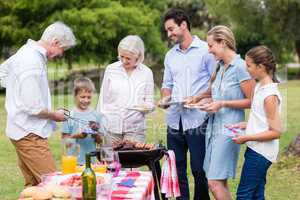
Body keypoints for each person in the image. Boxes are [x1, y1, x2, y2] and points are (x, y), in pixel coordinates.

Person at [0, 21, 76, 186]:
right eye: (62, 49)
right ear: (55, 42)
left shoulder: (26, 52)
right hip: (29, 134)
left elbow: (2, 73)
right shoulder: (31, 60)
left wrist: (16, 89)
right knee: (54, 187)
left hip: (21, 130)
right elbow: (33, 107)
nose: (61, 54)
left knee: (34, 188)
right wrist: (55, 115)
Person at [189, 25, 255, 200]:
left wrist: (222, 103)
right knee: (218, 181)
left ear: (223, 42)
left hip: (230, 130)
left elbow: (252, 101)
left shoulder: (241, 67)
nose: (209, 51)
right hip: (213, 129)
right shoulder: (219, 67)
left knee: (214, 182)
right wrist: (198, 99)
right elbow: (214, 94)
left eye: (211, 46)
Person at [158, 9, 216, 200]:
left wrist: (198, 98)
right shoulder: (170, 56)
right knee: (177, 167)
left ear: (183, 25)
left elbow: (215, 83)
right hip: (174, 119)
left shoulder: (205, 51)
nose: (169, 34)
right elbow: (167, 85)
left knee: (199, 169)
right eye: (167, 31)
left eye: (171, 29)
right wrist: (165, 98)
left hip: (198, 119)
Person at [229, 46, 282, 199]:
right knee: (257, 195)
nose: (246, 69)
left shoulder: (270, 95)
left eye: (249, 65)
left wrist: (246, 137)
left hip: (261, 153)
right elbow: (262, 120)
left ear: (261, 67)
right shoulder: (259, 86)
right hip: (255, 149)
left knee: (244, 195)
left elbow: (276, 132)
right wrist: (244, 125)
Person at [97, 35, 154, 145]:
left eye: (128, 58)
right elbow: (102, 100)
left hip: (135, 129)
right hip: (111, 128)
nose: (124, 61)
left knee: (131, 160)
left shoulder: (146, 73)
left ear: (138, 56)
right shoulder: (111, 69)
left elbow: (150, 103)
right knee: (112, 161)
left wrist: (146, 107)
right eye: (121, 56)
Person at [61, 77, 104, 165]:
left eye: (89, 97)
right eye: (82, 97)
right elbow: (65, 142)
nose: (86, 100)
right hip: (74, 162)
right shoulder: (69, 116)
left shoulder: (97, 115)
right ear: (75, 96)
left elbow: (100, 141)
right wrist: (75, 136)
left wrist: (96, 136)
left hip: (92, 162)